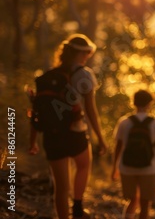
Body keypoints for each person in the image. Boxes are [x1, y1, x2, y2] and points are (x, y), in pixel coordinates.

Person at [28, 33, 107, 219]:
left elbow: (36, 111)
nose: (88, 56)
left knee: (61, 188)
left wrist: (33, 141)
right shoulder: (84, 74)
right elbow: (90, 110)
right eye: (88, 53)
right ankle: (78, 206)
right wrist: (101, 139)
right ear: (84, 53)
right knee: (83, 164)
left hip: (52, 136)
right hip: (75, 133)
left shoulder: (46, 77)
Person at [112, 90, 155, 219]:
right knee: (145, 204)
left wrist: (115, 167)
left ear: (134, 102)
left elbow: (118, 147)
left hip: (127, 167)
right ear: (149, 103)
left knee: (132, 199)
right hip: (149, 168)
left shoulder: (124, 122)